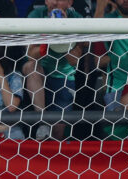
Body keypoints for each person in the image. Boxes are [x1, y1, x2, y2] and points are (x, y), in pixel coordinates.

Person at [23, 0, 84, 140]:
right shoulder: (36, 15)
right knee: (31, 67)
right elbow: (30, 55)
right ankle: (43, 119)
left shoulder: (77, 19)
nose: (55, 2)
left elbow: (74, 60)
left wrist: (64, 30)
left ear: (70, 3)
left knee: (57, 135)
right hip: (39, 76)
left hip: (64, 76)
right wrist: (49, 37)